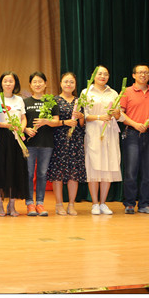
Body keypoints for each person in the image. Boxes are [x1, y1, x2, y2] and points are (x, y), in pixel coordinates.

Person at [119, 64, 149, 215]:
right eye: (140, 72)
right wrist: (135, 124)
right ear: (134, 75)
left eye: (146, 73)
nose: (143, 75)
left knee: (148, 172)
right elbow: (120, 114)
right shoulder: (126, 92)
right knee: (131, 171)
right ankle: (130, 203)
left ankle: (145, 204)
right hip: (132, 134)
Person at [82, 65, 123, 215]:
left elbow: (119, 116)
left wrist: (116, 113)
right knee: (94, 166)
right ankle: (94, 203)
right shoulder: (86, 92)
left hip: (110, 133)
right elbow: (84, 115)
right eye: (99, 74)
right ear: (94, 75)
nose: (103, 76)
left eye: (105, 74)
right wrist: (100, 117)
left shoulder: (114, 93)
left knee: (108, 166)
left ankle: (103, 203)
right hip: (93, 132)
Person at [46, 72, 87, 216]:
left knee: (73, 174)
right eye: (66, 81)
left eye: (71, 82)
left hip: (75, 141)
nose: (68, 84)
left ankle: (71, 204)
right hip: (59, 140)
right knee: (58, 174)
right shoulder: (54, 100)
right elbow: (52, 121)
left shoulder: (79, 101)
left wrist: (81, 117)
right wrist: (65, 122)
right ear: (61, 83)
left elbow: (82, 125)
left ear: (75, 85)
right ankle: (58, 204)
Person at [22, 71, 60, 217]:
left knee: (42, 174)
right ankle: (29, 203)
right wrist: (26, 129)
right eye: (34, 82)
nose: (37, 84)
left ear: (45, 84)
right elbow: (21, 121)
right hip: (29, 144)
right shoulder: (25, 102)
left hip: (46, 143)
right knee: (29, 173)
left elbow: (56, 121)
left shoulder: (51, 101)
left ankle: (40, 203)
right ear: (30, 85)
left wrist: (46, 121)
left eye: (40, 82)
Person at [0, 71, 28, 217]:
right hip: (1, 136)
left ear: (15, 84)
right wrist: (7, 125)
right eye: (5, 81)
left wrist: (21, 127)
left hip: (16, 138)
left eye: (11, 81)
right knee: (0, 169)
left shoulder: (19, 100)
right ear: (1, 83)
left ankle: (12, 205)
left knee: (15, 170)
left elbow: (23, 118)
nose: (8, 84)